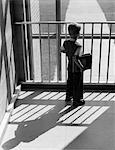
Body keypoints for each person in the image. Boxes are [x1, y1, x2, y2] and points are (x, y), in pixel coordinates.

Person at [60, 23, 85, 107]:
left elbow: (62, 50)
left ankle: (68, 96)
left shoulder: (65, 42)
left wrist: (68, 52)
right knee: (77, 84)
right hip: (76, 68)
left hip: (69, 66)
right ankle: (77, 100)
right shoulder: (78, 46)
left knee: (70, 81)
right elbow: (76, 58)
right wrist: (81, 67)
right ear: (78, 34)